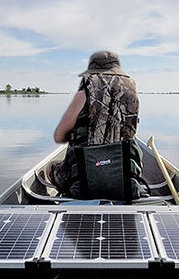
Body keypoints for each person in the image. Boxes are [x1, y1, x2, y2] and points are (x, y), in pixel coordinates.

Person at [49, 50, 139, 196]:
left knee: (51, 167)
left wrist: (76, 134)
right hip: (124, 183)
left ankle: (66, 195)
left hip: (84, 183)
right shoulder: (131, 95)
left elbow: (58, 137)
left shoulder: (83, 93)